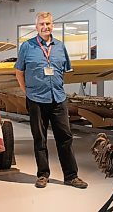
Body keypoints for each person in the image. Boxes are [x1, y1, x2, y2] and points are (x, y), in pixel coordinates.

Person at [15, 12, 88, 189]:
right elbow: (19, 72)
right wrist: (28, 92)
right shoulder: (27, 47)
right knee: (39, 139)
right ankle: (43, 175)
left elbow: (64, 70)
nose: (45, 27)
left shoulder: (60, 47)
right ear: (36, 26)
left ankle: (71, 176)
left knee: (65, 138)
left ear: (52, 25)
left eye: (47, 23)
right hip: (36, 100)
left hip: (58, 98)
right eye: (41, 24)